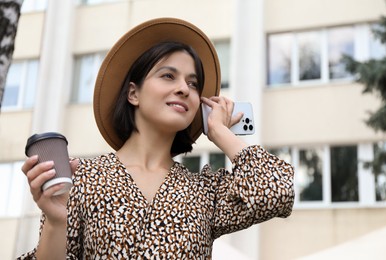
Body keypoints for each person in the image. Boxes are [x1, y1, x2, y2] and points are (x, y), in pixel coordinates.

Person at [19, 18, 295, 259]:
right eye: (168, 76)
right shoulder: (80, 178)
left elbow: (278, 191)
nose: (184, 89)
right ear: (133, 94)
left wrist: (220, 132)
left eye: (193, 83)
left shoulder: (205, 193)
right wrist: (57, 222)